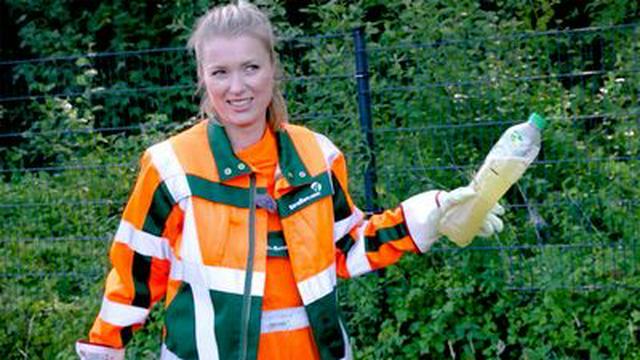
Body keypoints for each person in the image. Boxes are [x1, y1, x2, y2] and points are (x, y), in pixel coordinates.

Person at [75, 1, 505, 359]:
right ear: (202, 76)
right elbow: (135, 274)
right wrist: (102, 349)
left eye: (250, 67)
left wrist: (428, 216)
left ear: (273, 68)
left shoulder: (317, 154)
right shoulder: (170, 165)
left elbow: (344, 247)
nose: (237, 87)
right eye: (220, 72)